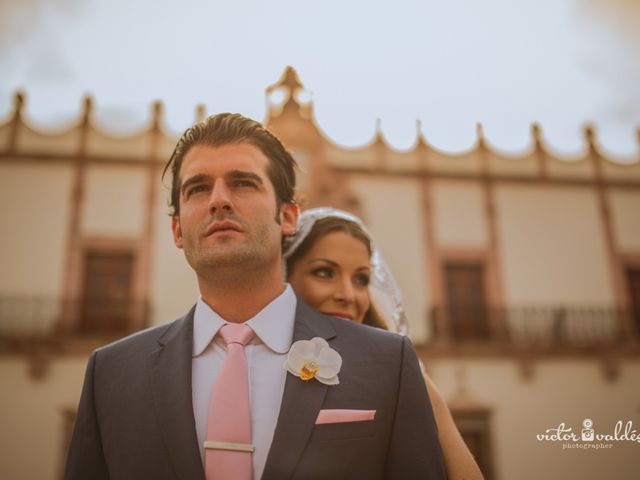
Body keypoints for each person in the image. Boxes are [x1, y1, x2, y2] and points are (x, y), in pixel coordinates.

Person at [65, 113, 446, 479]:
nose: (219, 200)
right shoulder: (110, 375)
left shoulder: (387, 364)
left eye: (243, 183)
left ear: (288, 216)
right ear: (178, 230)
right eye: (198, 188)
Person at [284, 207, 484, 480]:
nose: (348, 294)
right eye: (324, 272)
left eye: (360, 279)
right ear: (285, 277)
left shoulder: (399, 372)